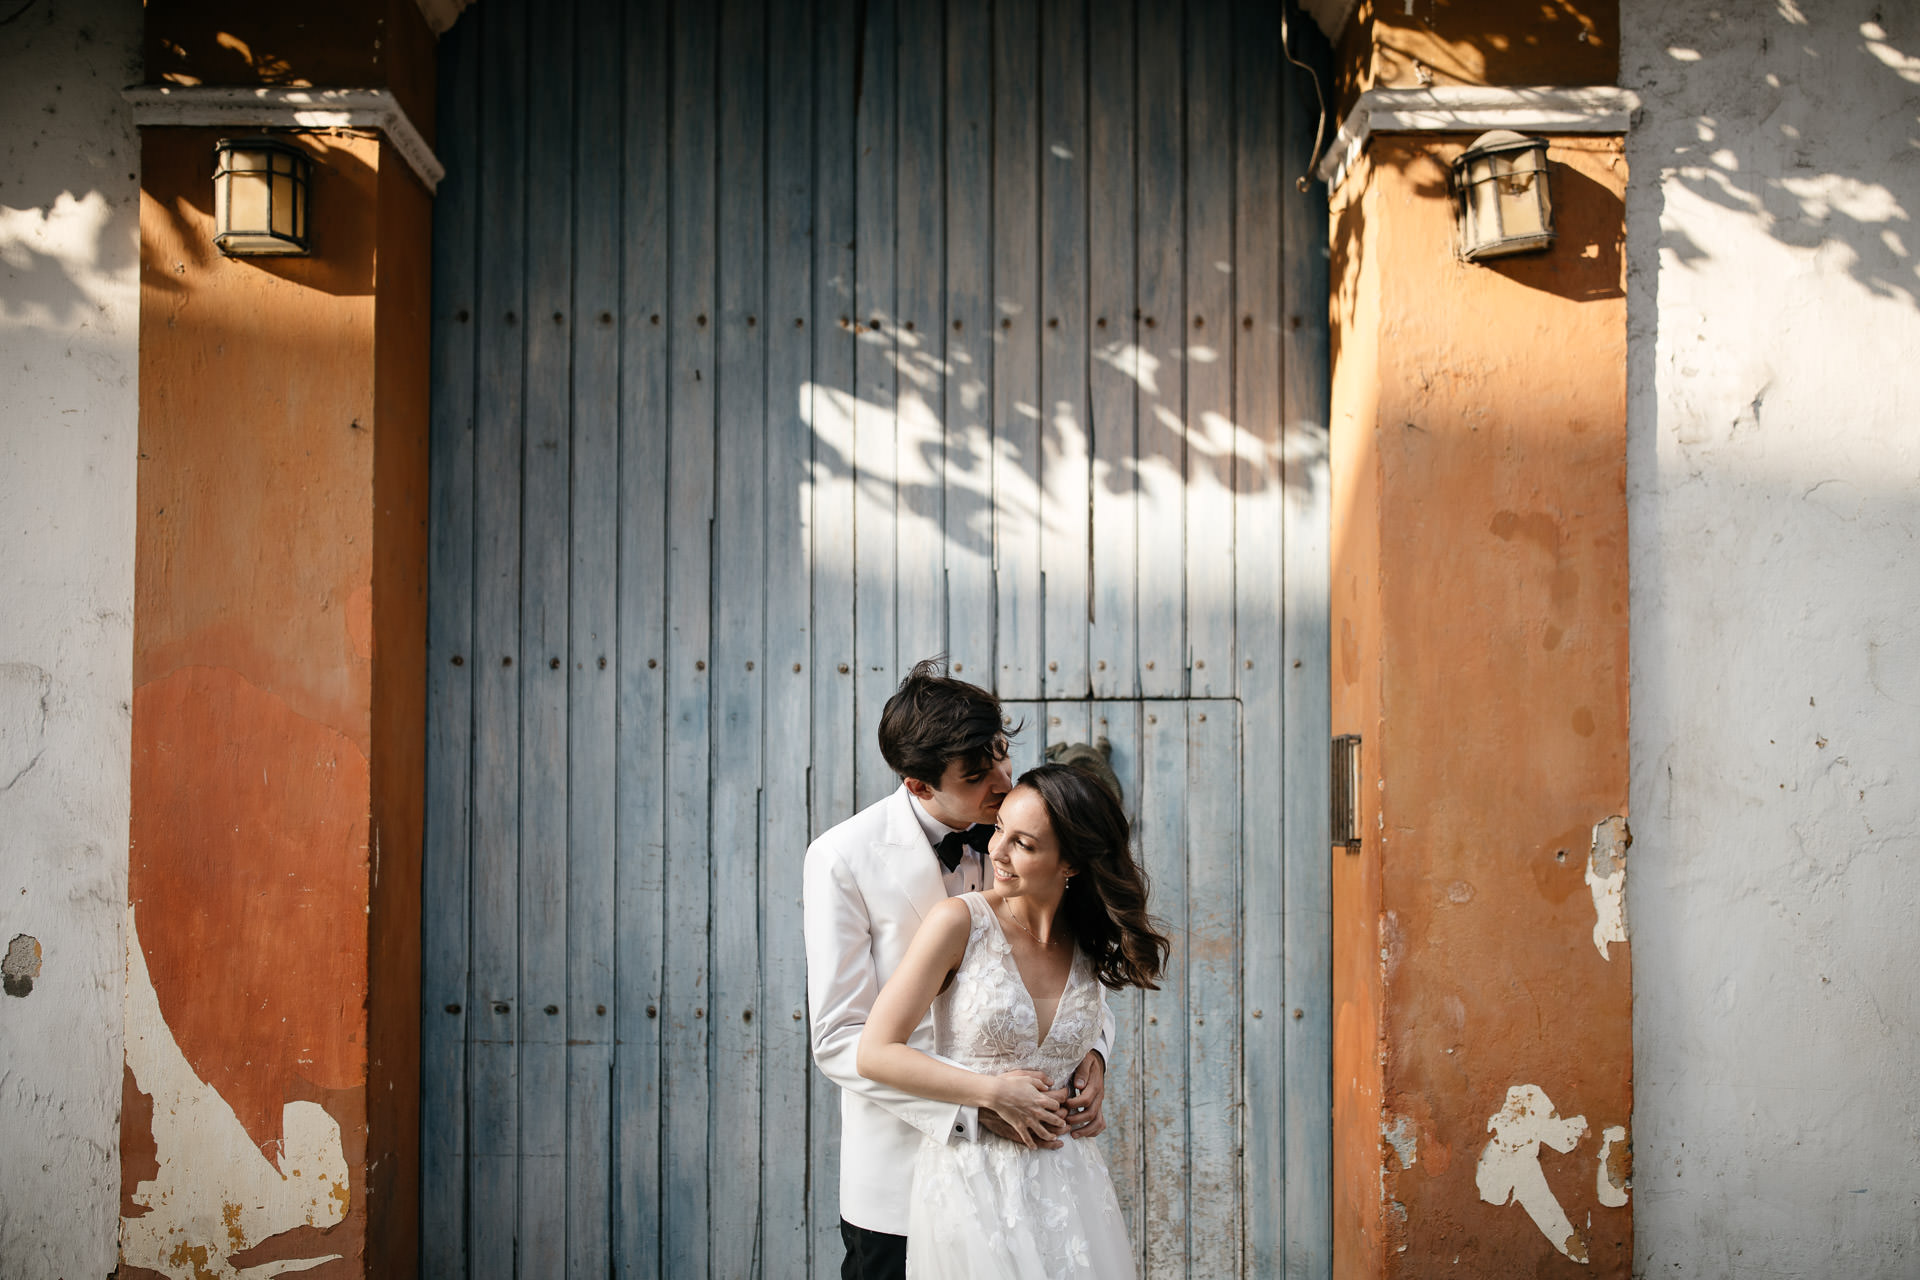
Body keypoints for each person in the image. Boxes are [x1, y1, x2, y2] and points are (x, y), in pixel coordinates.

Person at [804, 660, 1113, 1280]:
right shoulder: (842, 859)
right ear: (919, 786)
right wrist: (976, 1106)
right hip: (902, 1173)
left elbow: (1072, 970)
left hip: (1036, 1177)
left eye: (1002, 754)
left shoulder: (1031, 828)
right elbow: (839, 1039)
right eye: (978, 776)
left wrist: (1095, 1056)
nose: (1003, 780)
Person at [857, 763, 1170, 1279]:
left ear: (1070, 862)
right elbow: (876, 1052)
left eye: (1023, 843)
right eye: (999, 827)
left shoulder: (1088, 943)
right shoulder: (959, 922)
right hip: (973, 1185)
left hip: (1071, 1184)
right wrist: (989, 1092)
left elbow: (1079, 1026)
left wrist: (1093, 1059)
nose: (996, 851)